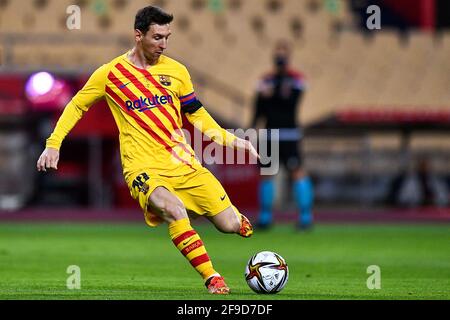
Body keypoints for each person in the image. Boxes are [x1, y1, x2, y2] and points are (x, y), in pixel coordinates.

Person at [36, 6, 259, 295]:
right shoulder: (111, 74)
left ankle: (233, 219)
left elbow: (196, 114)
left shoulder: (177, 71)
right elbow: (78, 105)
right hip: (142, 168)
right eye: (157, 37)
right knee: (174, 210)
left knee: (228, 224)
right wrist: (53, 144)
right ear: (138, 35)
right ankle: (212, 278)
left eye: (167, 37)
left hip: (183, 163)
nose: (163, 44)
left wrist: (233, 140)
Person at [252, 40, 314, 230]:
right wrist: (252, 127)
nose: (280, 58)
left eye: (283, 54)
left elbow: (291, 104)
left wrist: (275, 93)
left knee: (297, 172)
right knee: (266, 175)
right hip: (270, 134)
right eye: (277, 54)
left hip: (289, 134)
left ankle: (305, 216)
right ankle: (265, 216)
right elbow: (258, 108)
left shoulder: (296, 80)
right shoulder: (265, 80)